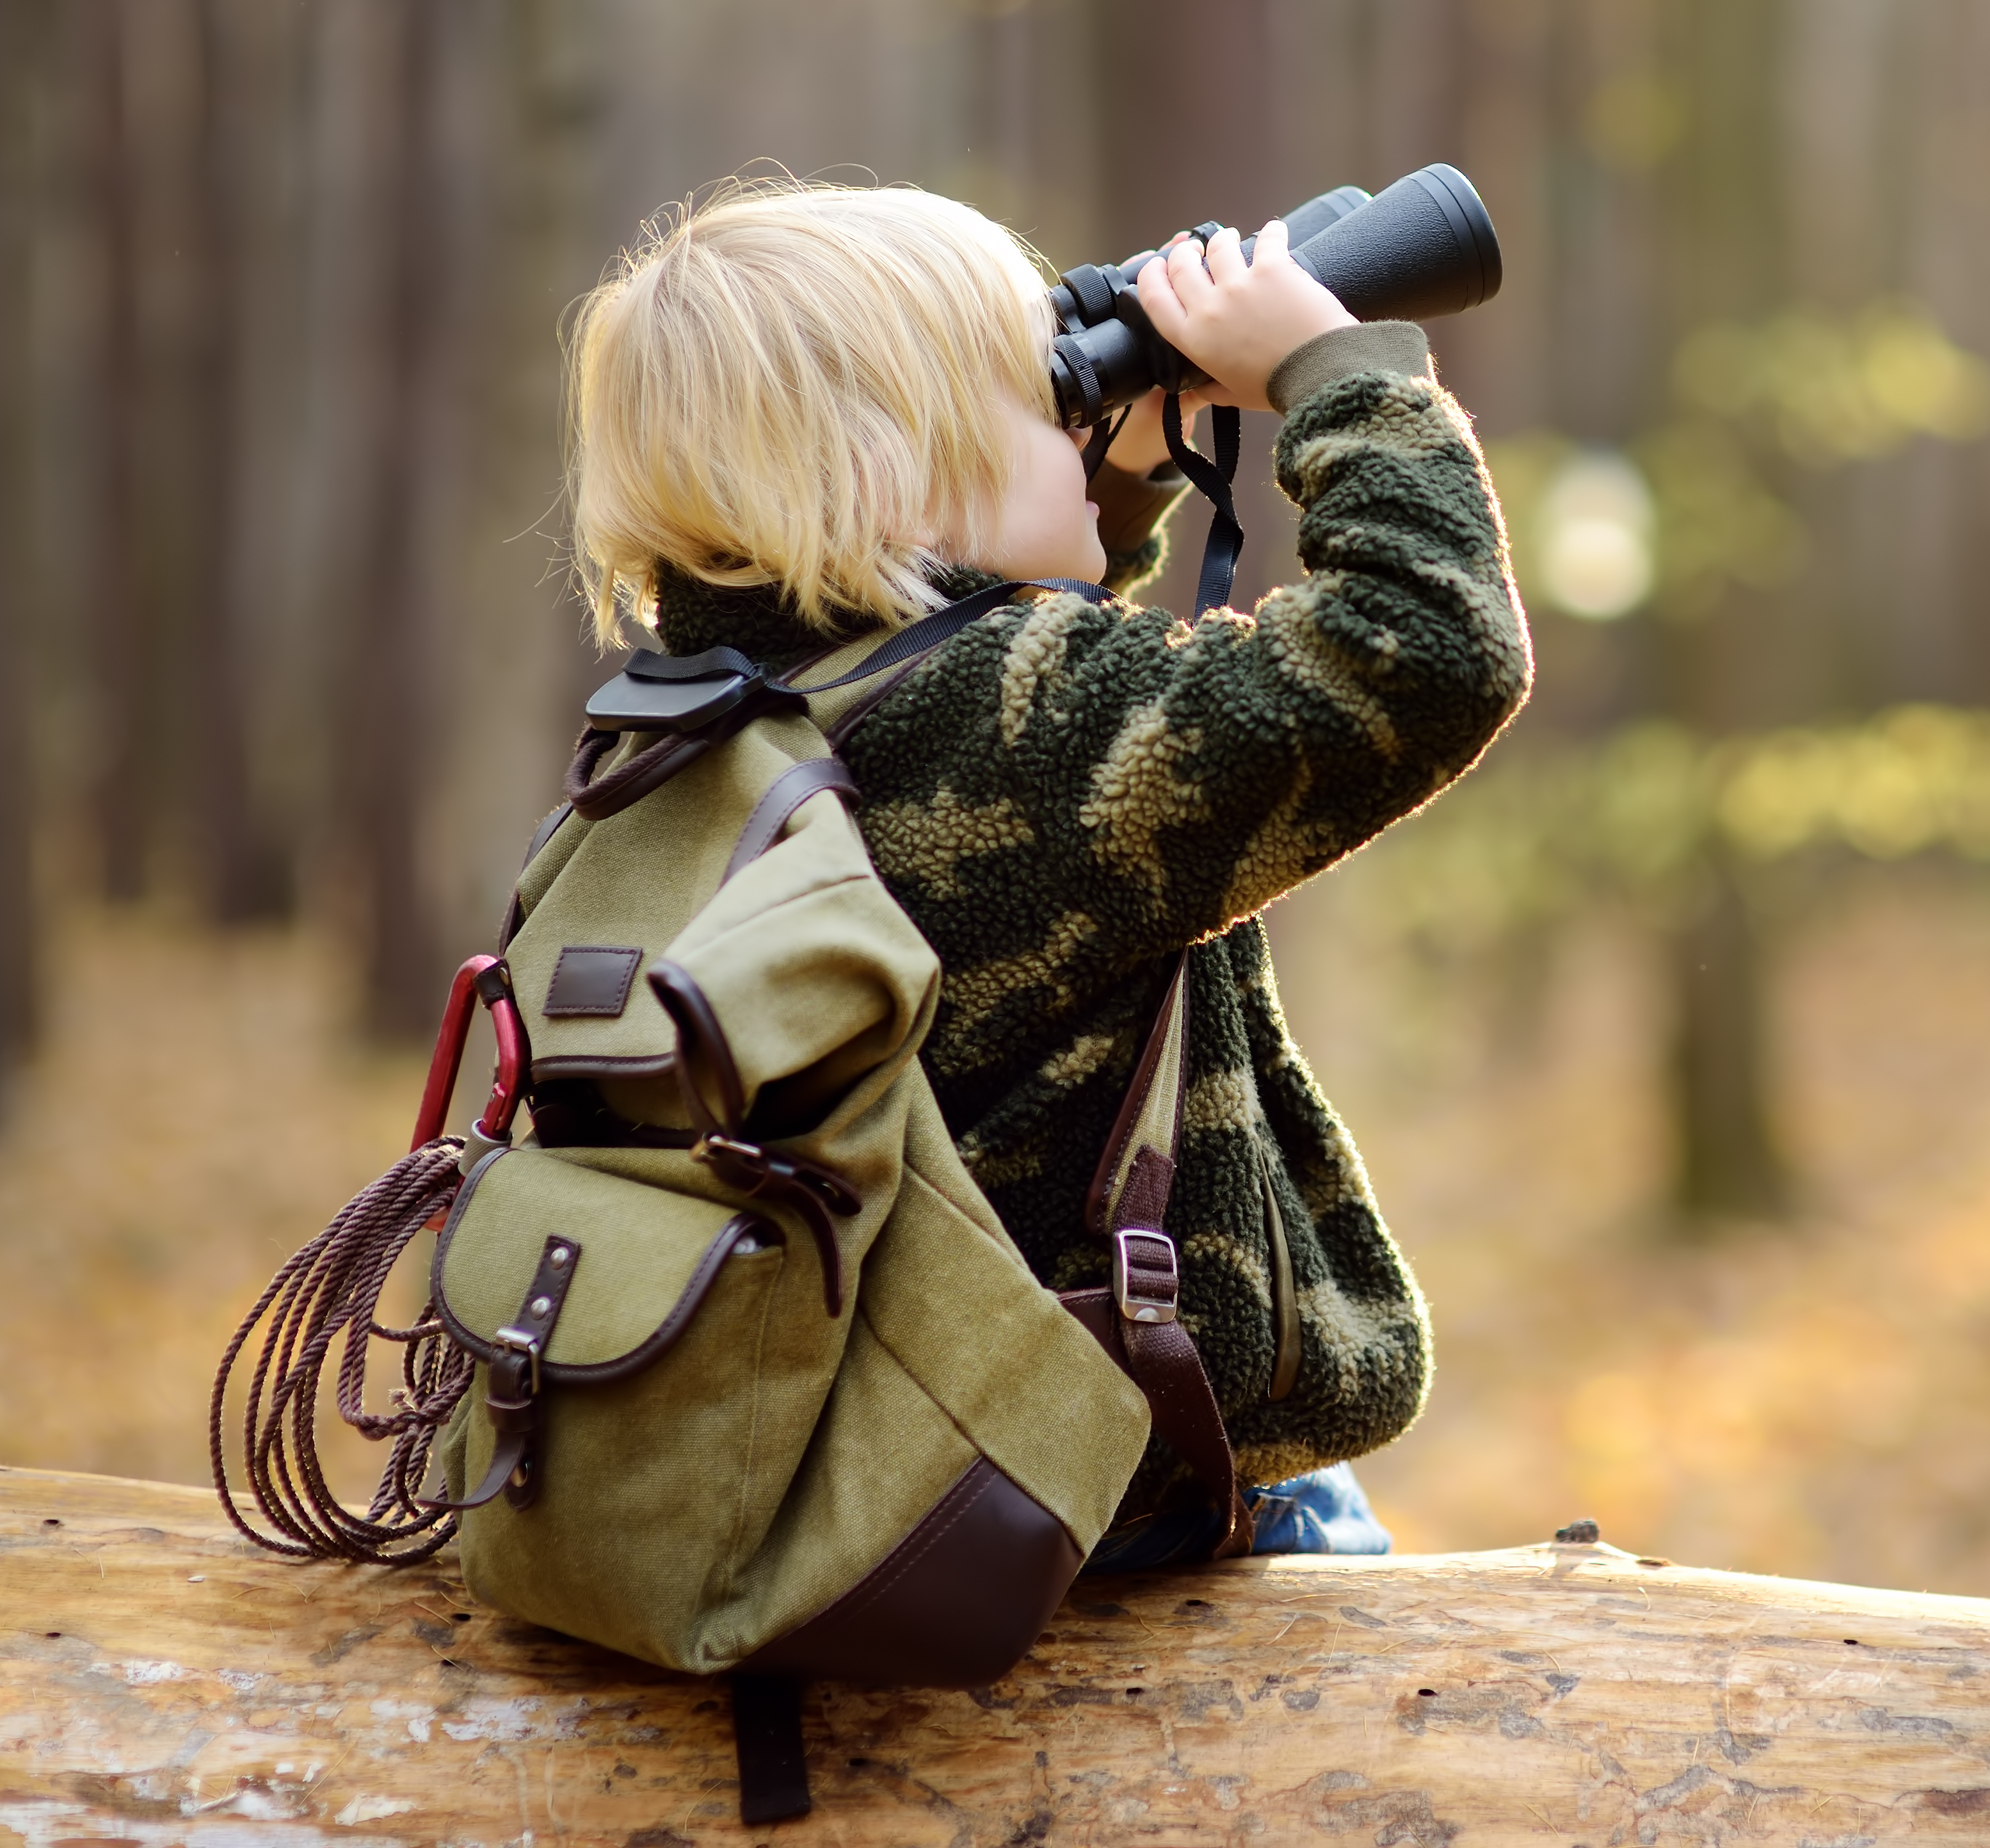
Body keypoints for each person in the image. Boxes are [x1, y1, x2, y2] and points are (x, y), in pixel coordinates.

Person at [563, 179, 1530, 1567]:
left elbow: (1016, 711)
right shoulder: (1025, 724)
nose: (1080, 421)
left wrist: (1122, 470)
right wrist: (1334, 372)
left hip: (902, 1463)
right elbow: (1427, 652)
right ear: (888, 479)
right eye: (1047, 400)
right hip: (1125, 1494)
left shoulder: (710, 723)